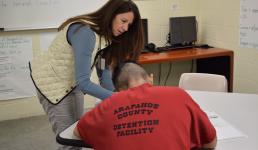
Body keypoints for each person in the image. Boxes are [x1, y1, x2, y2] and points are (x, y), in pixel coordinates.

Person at [29, 0, 144, 149]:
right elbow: (84, 82)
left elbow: (104, 71)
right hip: (52, 85)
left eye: (129, 25)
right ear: (111, 15)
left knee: (77, 135)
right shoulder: (85, 32)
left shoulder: (105, 36)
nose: (125, 28)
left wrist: (113, 95)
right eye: (123, 21)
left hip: (72, 84)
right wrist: (118, 98)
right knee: (68, 141)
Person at [74, 62, 217, 150]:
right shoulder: (179, 95)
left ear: (118, 90)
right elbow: (210, 142)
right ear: (151, 78)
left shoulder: (106, 106)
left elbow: (77, 132)